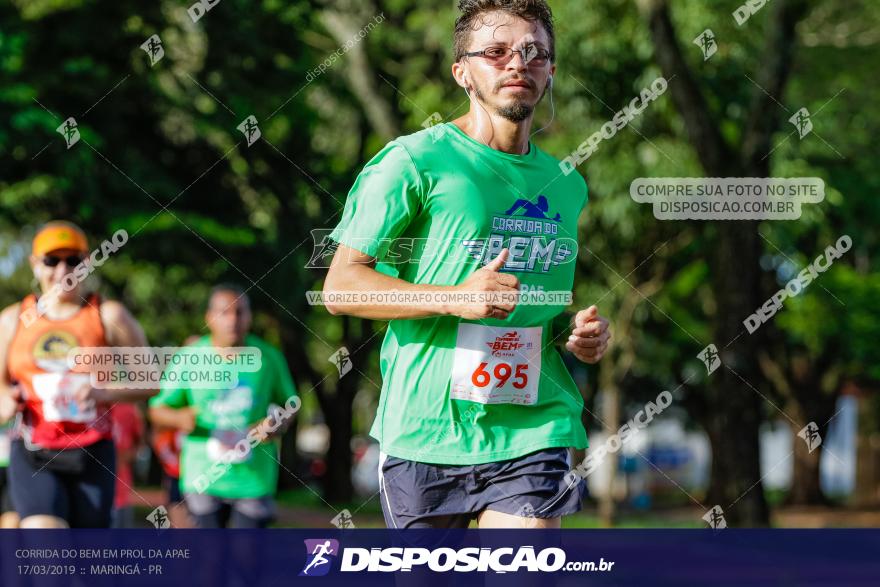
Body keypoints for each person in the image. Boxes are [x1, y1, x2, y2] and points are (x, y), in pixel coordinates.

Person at [323, 0, 611, 529]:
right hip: (426, 428)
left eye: (534, 52)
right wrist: (457, 297)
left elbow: (538, 303)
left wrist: (580, 337)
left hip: (532, 425)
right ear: (463, 72)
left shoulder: (566, 184)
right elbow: (341, 286)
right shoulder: (413, 161)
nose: (517, 64)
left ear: (549, 71)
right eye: (496, 52)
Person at [0, 221, 156, 528]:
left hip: (94, 451)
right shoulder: (12, 320)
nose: (63, 270)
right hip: (35, 451)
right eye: (51, 260)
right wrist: (7, 398)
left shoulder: (108, 315)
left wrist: (102, 392)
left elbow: (150, 380)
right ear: (34, 265)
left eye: (73, 260)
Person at [148, 284, 298, 528]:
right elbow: (156, 410)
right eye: (224, 312)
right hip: (202, 478)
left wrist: (276, 423)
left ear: (249, 317)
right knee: (207, 562)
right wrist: (178, 418)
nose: (233, 320)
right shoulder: (189, 358)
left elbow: (291, 404)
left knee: (246, 563)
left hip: (253, 481)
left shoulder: (268, 357)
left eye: (240, 312)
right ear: (209, 318)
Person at [110, 402, 144, 528]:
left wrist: (125, 456)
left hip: (121, 493)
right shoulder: (88, 406)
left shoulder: (128, 408)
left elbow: (139, 445)